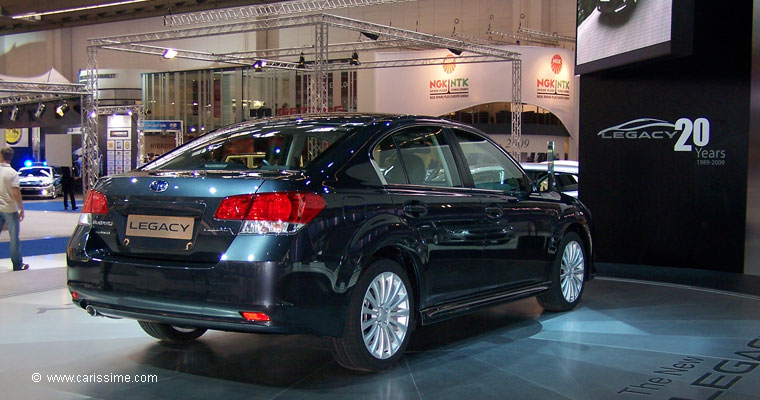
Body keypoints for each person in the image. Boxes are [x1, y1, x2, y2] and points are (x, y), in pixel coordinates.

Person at [0, 147, 28, 271]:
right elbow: (15, 192)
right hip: (9, 208)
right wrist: (21, 208)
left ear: (1, 156)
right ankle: (17, 264)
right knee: (14, 238)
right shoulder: (12, 173)